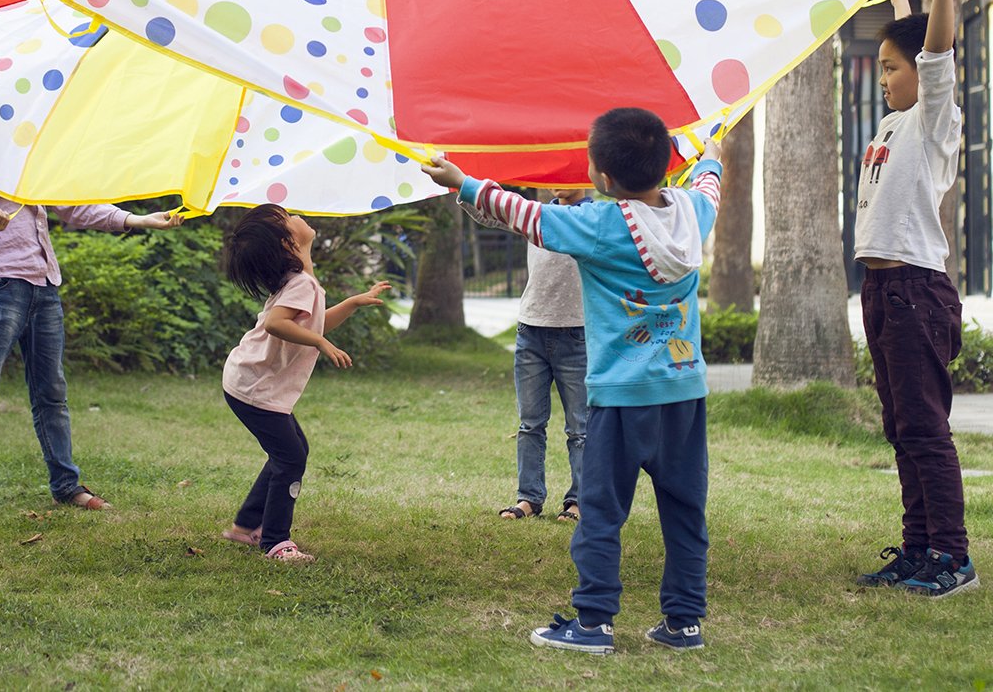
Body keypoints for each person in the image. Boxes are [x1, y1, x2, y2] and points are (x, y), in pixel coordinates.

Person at [425, 113, 721, 655]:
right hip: (684, 393)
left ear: (602, 178)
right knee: (685, 511)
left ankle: (593, 623)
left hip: (621, 399)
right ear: (664, 165)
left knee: (601, 511)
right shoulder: (692, 213)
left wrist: (461, 182)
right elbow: (709, 184)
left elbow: (524, 214)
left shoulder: (600, 224)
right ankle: (683, 623)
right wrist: (712, 151)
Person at [0, 172, 182, 520]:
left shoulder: (36, 161)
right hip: (0, 286)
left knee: (51, 393)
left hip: (43, 287)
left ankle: (66, 486)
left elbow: (75, 206)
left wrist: (139, 219)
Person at [853, 0, 977, 598]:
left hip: (914, 290)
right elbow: (913, 39)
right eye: (881, 67)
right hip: (880, 290)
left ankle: (953, 558)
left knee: (925, 429)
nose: (884, 77)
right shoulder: (892, 122)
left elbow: (934, 54)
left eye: (891, 68)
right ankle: (917, 549)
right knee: (901, 429)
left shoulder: (934, 119)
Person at [219, 203, 390, 563]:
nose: (296, 216)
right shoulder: (300, 283)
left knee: (292, 451)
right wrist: (321, 343)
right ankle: (275, 541)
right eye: (287, 218)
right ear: (288, 243)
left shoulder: (301, 281)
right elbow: (276, 324)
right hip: (255, 389)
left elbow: (313, 322)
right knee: (291, 457)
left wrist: (353, 303)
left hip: (250, 383)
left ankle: (246, 525)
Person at [500, 187, 592, 526]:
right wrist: (460, 184)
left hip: (577, 335)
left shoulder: (594, 217)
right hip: (531, 333)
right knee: (530, 424)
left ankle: (580, 501)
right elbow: (490, 210)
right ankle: (529, 498)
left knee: (581, 428)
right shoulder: (535, 215)